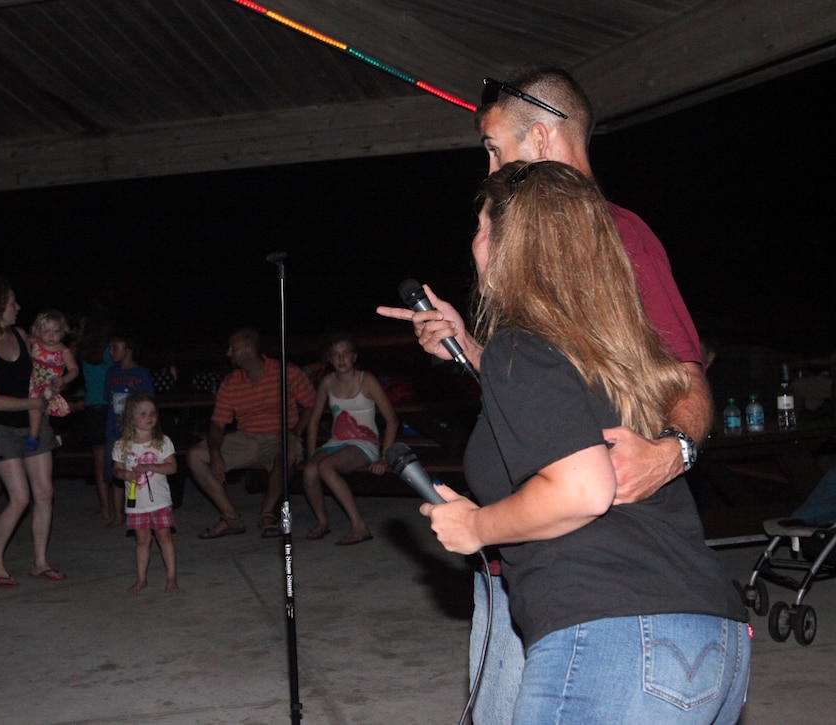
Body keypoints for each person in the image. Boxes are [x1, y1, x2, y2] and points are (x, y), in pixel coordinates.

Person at [376, 66, 714, 722]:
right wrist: (469, 348)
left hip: (599, 584)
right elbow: (555, 398)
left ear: (542, 134)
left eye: (497, 149)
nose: (492, 164)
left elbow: (684, 374)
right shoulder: (530, 253)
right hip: (534, 561)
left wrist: (675, 450)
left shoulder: (619, 235)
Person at [425, 160, 749, 722]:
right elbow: (553, 417)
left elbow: (582, 490)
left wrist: (474, 526)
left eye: (482, 226)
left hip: (611, 638)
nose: (474, 242)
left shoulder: (521, 346)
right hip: (713, 638)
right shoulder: (628, 355)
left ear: (511, 245)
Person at [0, 275, 65, 587]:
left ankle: (40, 562)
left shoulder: (22, 335)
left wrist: (56, 382)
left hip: (35, 424)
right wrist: (32, 402)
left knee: (45, 493)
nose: (18, 307)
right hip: (3, 429)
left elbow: (46, 368)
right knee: (21, 498)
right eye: (13, 302)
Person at [188, 327, 315, 539]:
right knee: (195, 456)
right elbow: (217, 425)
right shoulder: (231, 382)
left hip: (279, 436)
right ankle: (231, 517)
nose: (228, 353)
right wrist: (216, 453)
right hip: (246, 438)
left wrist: (296, 430)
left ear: (248, 350)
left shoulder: (286, 372)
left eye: (233, 348)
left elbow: (312, 404)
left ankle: (267, 514)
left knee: (287, 454)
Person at [302, 333, 398, 545]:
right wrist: (311, 455)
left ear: (354, 357)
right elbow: (314, 420)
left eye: (346, 353)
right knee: (310, 471)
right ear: (329, 359)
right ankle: (322, 522)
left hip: (364, 443)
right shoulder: (327, 382)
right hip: (336, 442)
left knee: (326, 467)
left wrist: (384, 458)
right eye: (335, 355)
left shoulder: (367, 380)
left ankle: (359, 526)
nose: (341, 359)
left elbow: (392, 420)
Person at [111, 393, 178, 593]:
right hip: (136, 501)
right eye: (143, 414)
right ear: (131, 417)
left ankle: (171, 577)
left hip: (159, 500)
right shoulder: (122, 444)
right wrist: (125, 474)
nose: (149, 417)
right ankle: (141, 579)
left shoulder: (162, 442)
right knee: (142, 539)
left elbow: (172, 467)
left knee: (164, 536)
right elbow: (116, 469)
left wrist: (152, 466)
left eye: (152, 413)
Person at [103, 332, 155, 528]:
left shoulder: (141, 374)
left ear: (128, 349)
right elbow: (108, 398)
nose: (111, 351)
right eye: (110, 347)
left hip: (136, 434)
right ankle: (118, 515)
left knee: (138, 473)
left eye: (115, 347)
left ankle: (140, 511)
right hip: (114, 432)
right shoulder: (111, 373)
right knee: (117, 474)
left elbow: (149, 401)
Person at [77, 316, 117, 520]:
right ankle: (118, 507)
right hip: (109, 406)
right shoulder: (107, 351)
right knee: (116, 456)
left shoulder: (84, 349)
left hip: (92, 406)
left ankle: (105, 508)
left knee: (100, 459)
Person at [24, 309, 79, 452]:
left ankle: (33, 436)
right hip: (32, 381)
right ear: (38, 331)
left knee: (35, 405)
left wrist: (64, 379)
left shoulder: (64, 351)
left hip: (49, 386)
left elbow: (74, 369)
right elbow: (20, 338)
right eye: (46, 331)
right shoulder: (34, 342)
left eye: (55, 331)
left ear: (62, 332)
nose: (51, 335)